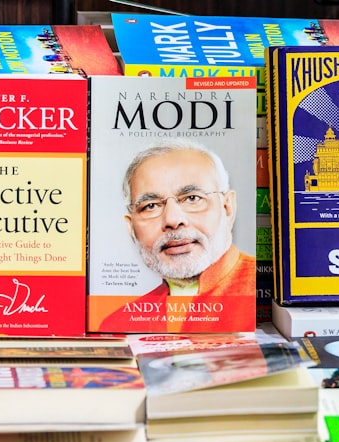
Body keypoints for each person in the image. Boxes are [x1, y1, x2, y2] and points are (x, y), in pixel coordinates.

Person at [99, 140, 255, 332]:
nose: (173, 220)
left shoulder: (260, 298)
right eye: (151, 206)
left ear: (227, 207)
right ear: (131, 227)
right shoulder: (118, 325)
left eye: (192, 198)